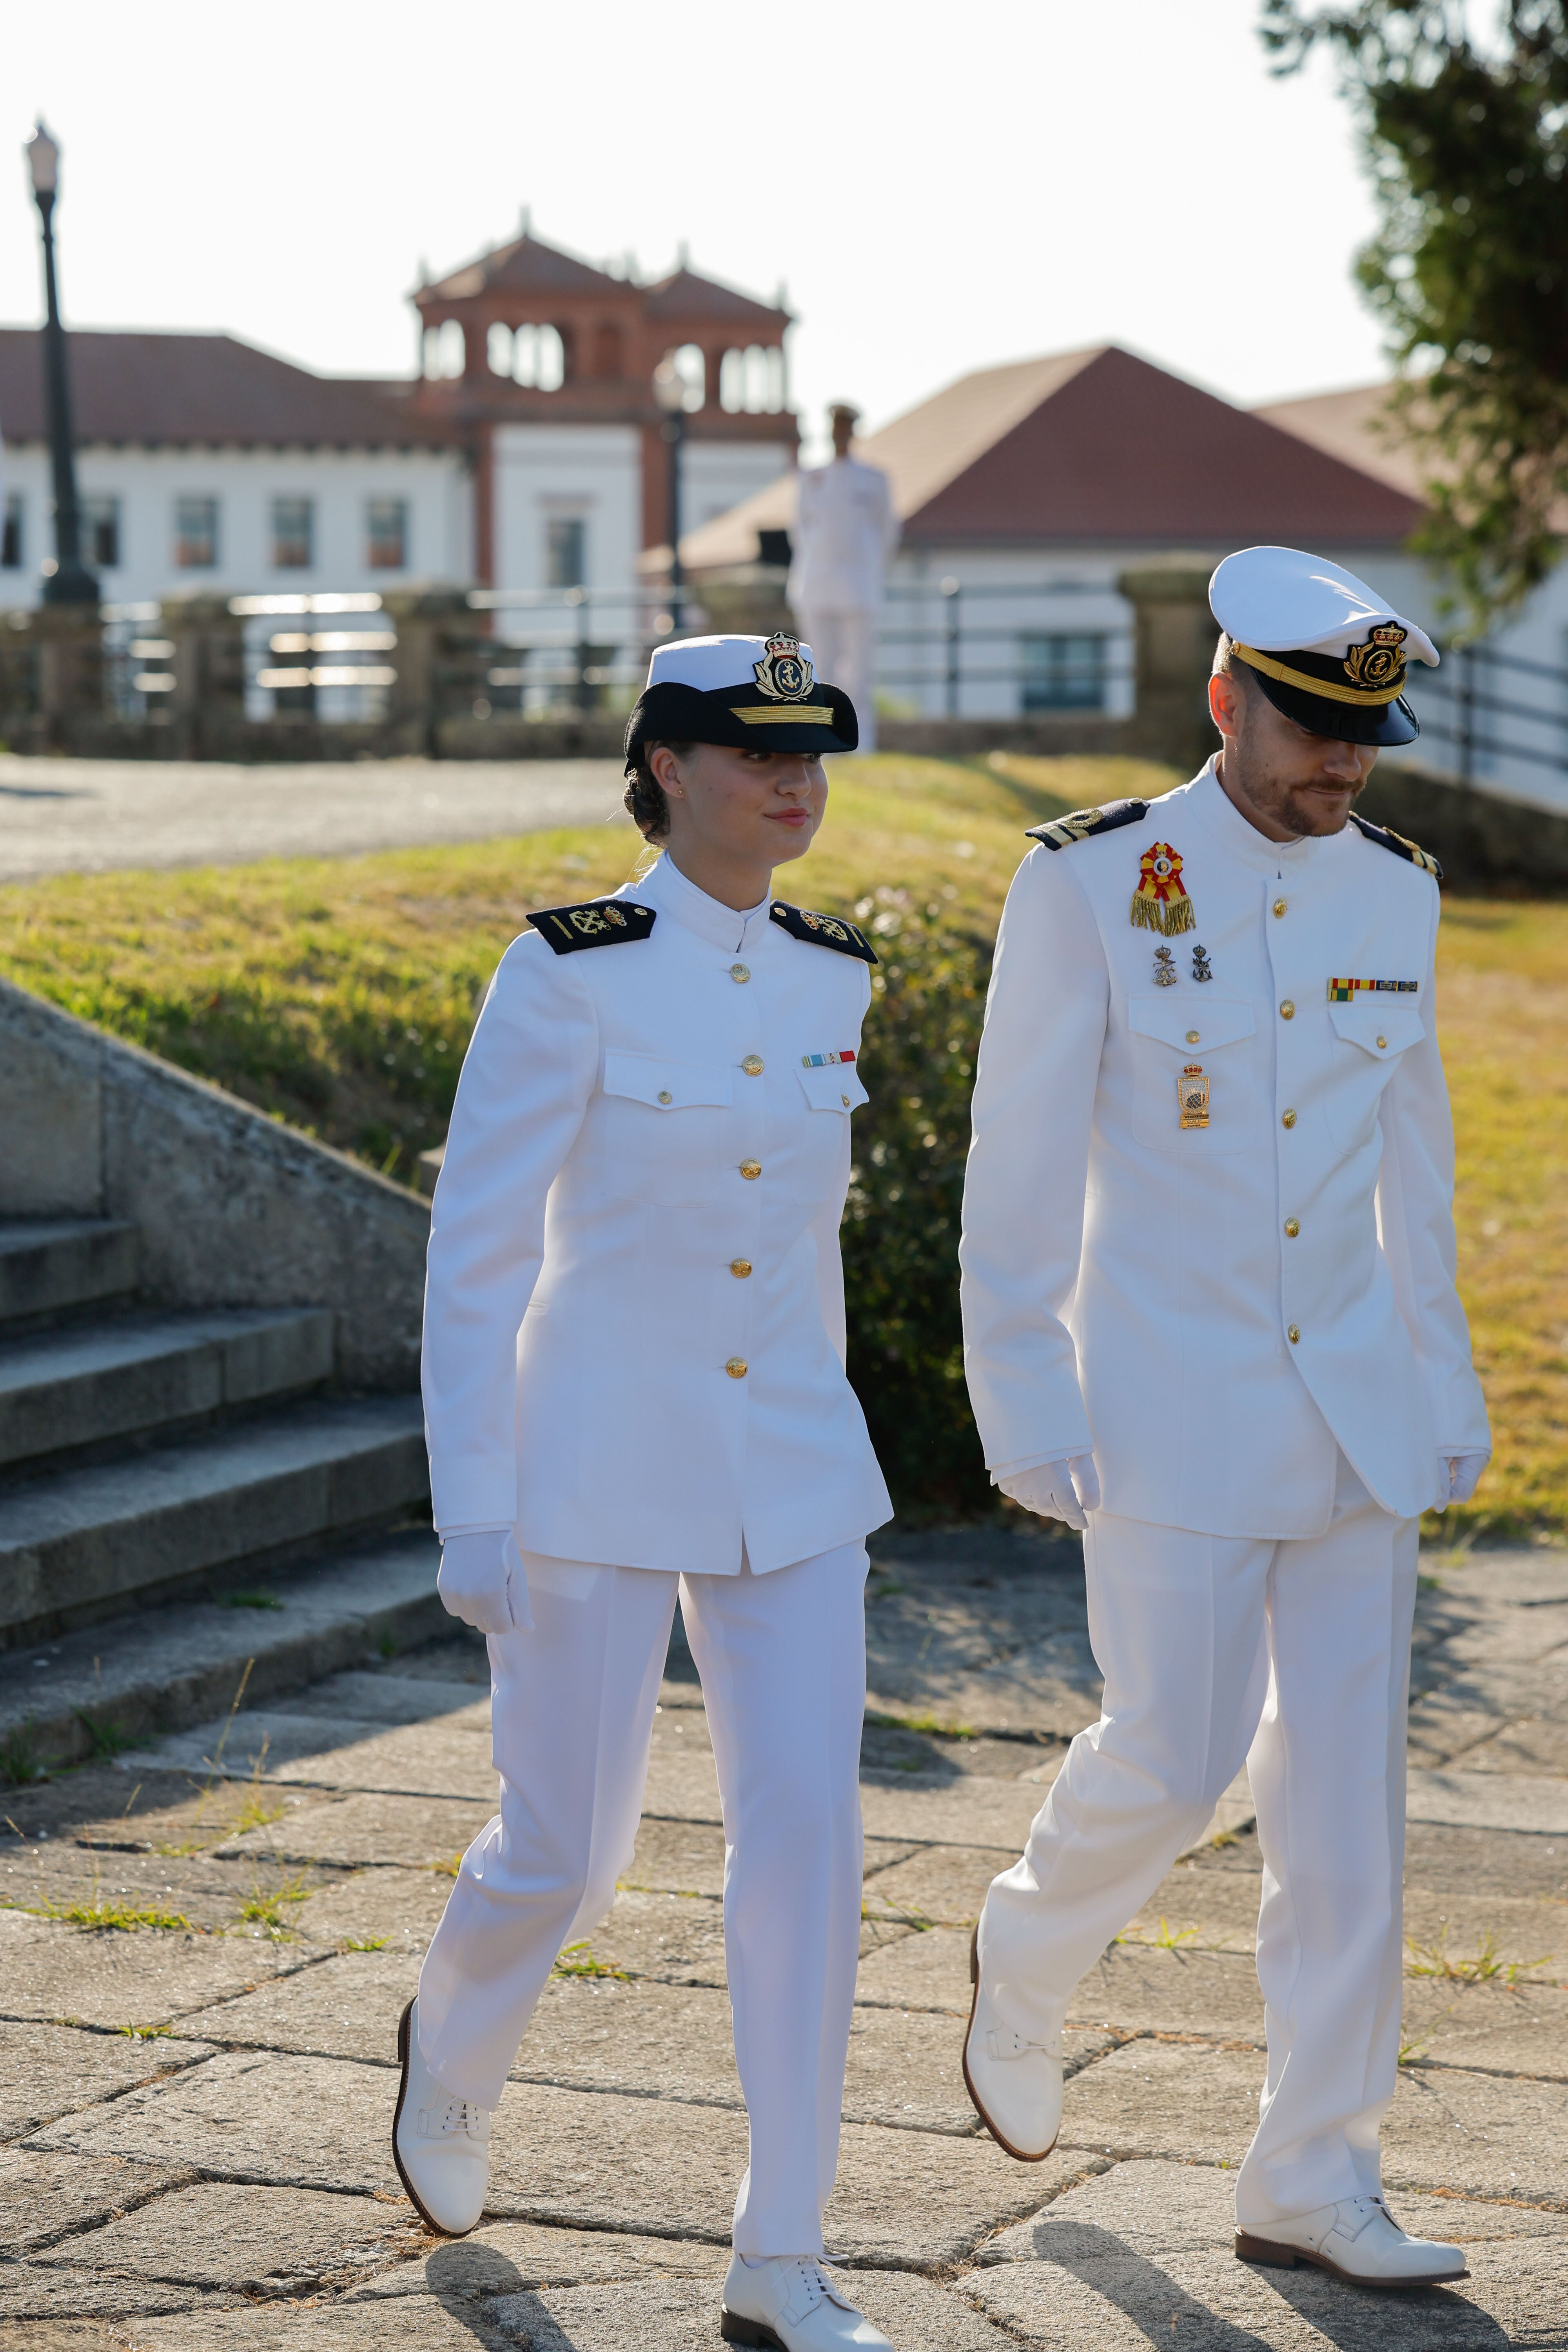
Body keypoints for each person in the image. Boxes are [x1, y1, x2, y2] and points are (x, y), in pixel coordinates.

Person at [957, 545, 1491, 2290]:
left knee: (1346, 1815)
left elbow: (1413, 1171)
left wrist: (1441, 1383)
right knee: (1174, 1756)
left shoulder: (1391, 895)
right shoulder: (1092, 880)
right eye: (1311, 728)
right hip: (1162, 1400)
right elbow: (1016, 1172)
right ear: (1221, 700)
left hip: (1349, 1413)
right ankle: (1025, 1949)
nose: (1342, 766)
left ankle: (1312, 2170)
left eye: (1366, 735)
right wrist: (1023, 1390)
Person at [396, 630, 898, 2352]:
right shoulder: (568, 970)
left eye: (810, 754)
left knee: (806, 1842)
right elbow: (477, 1257)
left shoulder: (835, 977)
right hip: (591, 1456)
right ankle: (451, 2039)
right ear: (666, 765)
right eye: (755, 751)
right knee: (566, 1848)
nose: (792, 780)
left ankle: (785, 2248)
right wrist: (474, 1497)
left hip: (793, 1473)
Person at [788, 404, 898, 755]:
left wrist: (870, 571)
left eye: (845, 427)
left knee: (859, 671)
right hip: (817, 583)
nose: (839, 433)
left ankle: (861, 744)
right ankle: (823, 741)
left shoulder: (874, 480)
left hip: (859, 585)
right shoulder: (811, 477)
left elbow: (887, 534)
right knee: (820, 668)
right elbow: (800, 531)